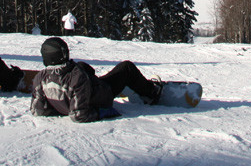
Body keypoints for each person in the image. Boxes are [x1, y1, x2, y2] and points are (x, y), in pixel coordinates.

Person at [30, 36, 163, 123]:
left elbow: (38, 110)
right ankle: (152, 92)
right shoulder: (76, 76)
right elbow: (79, 115)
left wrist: (61, 107)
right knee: (126, 68)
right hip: (102, 95)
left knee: (83, 66)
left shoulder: (40, 78)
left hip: (80, 93)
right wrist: (103, 112)